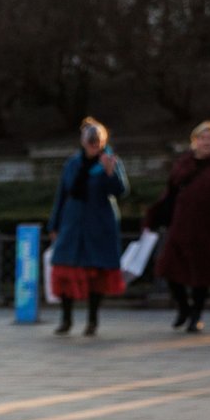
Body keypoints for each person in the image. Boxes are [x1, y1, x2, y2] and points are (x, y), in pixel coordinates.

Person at [144, 121, 210, 334]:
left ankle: (196, 315)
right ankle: (183, 307)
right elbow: (169, 194)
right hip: (180, 224)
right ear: (195, 140)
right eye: (202, 138)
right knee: (168, 268)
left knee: (202, 273)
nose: (206, 142)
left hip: (208, 227)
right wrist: (153, 218)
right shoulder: (183, 163)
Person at [46, 118, 128, 337]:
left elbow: (120, 191)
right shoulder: (72, 163)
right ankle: (66, 319)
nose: (93, 143)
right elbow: (62, 194)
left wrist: (110, 173)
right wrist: (54, 224)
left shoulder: (110, 161)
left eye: (97, 140)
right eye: (89, 139)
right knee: (65, 269)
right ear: (82, 141)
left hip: (99, 225)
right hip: (72, 224)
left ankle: (92, 320)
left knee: (97, 273)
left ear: (103, 141)